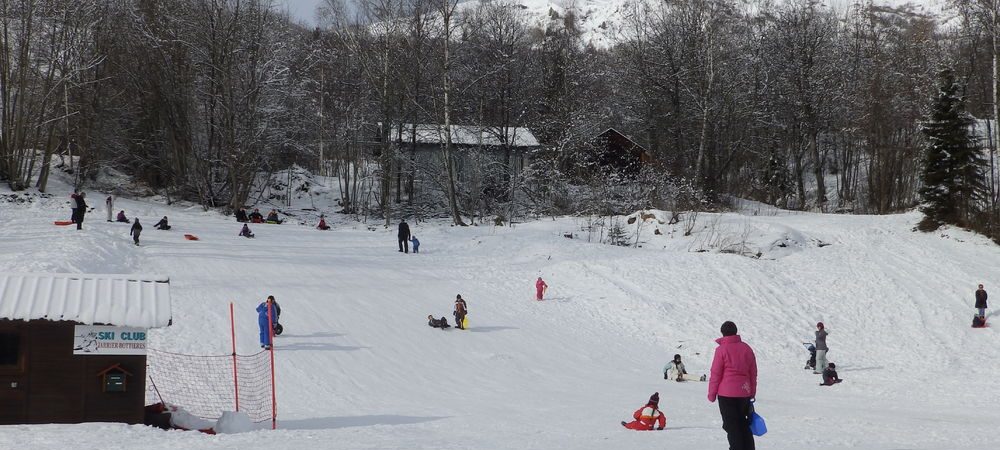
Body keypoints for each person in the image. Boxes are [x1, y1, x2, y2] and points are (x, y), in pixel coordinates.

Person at [708, 321, 757, 450]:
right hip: (744, 393)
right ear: (736, 331)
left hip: (726, 394)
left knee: (732, 426)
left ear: (722, 333)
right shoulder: (746, 348)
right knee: (743, 424)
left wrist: (712, 393)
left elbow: (716, 373)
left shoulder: (721, 350)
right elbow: (753, 373)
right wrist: (752, 392)